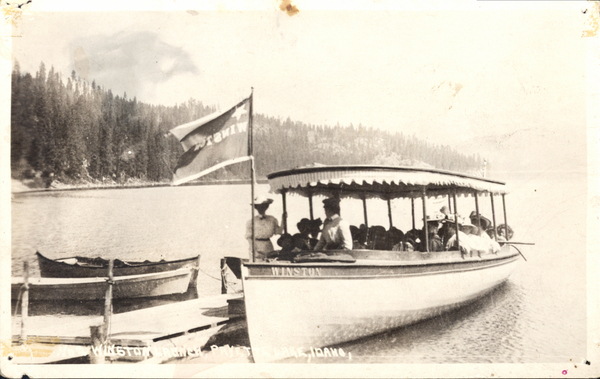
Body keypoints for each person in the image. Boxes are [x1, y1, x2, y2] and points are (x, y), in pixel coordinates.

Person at [245, 196, 283, 260]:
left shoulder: (272, 219)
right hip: (256, 246)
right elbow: (249, 237)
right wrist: (254, 250)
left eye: (264, 206)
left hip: (268, 246)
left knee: (269, 263)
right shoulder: (251, 221)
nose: (262, 208)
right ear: (256, 207)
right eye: (259, 206)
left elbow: (278, 232)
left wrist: (283, 221)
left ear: (267, 207)